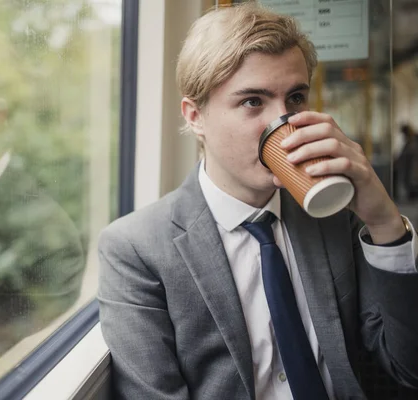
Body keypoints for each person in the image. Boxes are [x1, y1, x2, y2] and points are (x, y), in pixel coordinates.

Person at [98, 3, 418, 400]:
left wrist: (385, 221)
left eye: (296, 98)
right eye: (253, 101)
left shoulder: (335, 217)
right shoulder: (137, 249)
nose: (282, 123)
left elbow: (409, 370)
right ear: (195, 115)